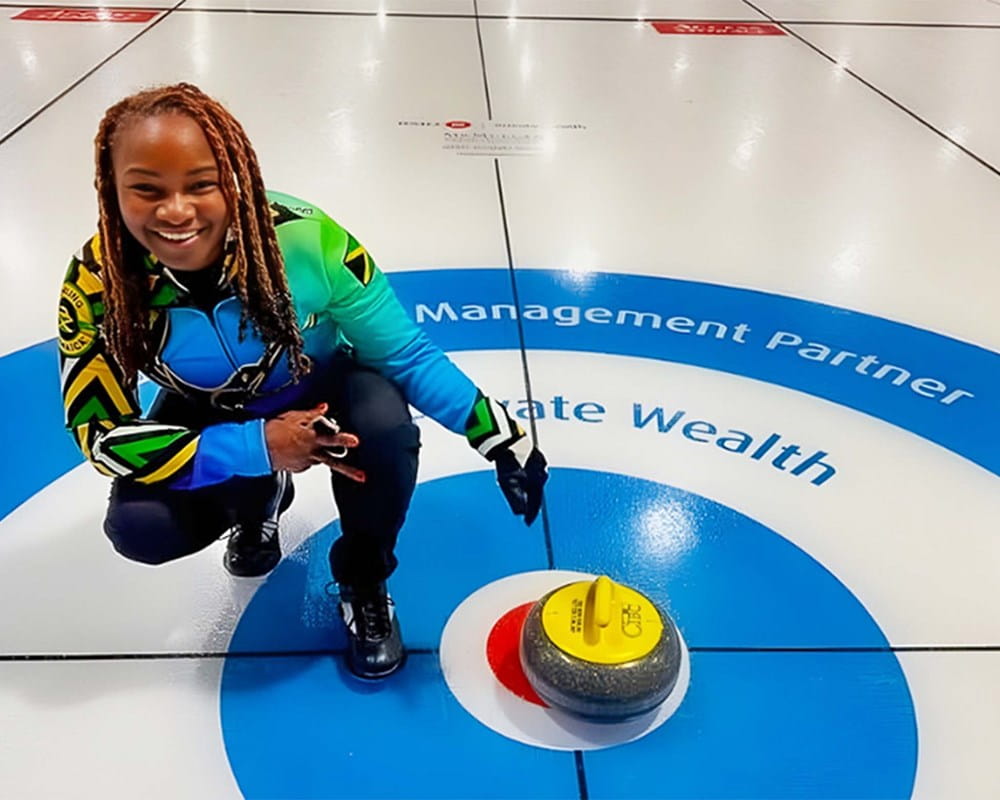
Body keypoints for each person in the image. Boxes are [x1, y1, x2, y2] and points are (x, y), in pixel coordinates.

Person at [57, 83, 548, 679]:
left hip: (323, 388)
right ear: (111, 191)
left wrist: (499, 434)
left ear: (235, 178)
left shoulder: (308, 240)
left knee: (385, 429)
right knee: (142, 526)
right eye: (146, 189)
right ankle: (256, 497)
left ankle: (364, 580)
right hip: (209, 412)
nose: (177, 210)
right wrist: (260, 446)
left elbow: (407, 355)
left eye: (201, 183)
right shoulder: (95, 283)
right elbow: (102, 436)